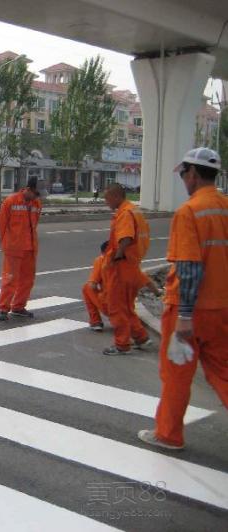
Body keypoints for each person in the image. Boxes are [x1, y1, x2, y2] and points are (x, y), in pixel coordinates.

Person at [138, 148, 228, 451]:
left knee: (176, 372)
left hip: (191, 312)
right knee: (223, 372)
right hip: (222, 309)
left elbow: (189, 268)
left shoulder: (189, 211)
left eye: (183, 174)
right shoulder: (225, 207)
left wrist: (186, 317)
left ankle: (168, 434)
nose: (182, 180)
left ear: (192, 173)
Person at [101, 183, 152, 355]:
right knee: (127, 306)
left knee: (116, 307)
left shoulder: (124, 214)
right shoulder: (133, 210)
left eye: (107, 198)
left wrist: (117, 256)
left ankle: (122, 344)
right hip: (132, 265)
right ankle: (141, 337)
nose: (105, 201)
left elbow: (126, 238)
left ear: (116, 197)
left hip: (122, 266)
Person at [83, 240, 161, 331]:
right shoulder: (130, 264)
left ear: (104, 253)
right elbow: (149, 283)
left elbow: (92, 285)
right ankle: (139, 336)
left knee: (86, 288)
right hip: (128, 310)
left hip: (110, 307)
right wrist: (158, 293)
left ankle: (95, 321)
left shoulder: (101, 261)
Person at [0, 177, 42, 321]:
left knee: (27, 280)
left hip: (30, 248)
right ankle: (3, 309)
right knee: (10, 279)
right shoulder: (11, 201)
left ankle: (18, 307)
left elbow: (35, 224)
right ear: (28, 189)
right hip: (14, 248)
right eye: (35, 193)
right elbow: (1, 224)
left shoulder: (37, 204)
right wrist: (6, 243)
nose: (36, 197)